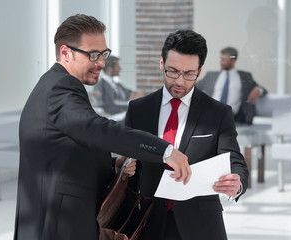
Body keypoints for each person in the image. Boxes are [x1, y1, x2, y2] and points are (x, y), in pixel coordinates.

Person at [14, 14, 191, 240]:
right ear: (65, 52)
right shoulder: (59, 89)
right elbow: (97, 129)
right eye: (93, 54)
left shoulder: (57, 85)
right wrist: (165, 151)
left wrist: (112, 164)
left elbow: (63, 153)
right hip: (58, 223)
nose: (101, 62)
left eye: (103, 54)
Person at [125, 30, 248, 240]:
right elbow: (126, 163)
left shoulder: (218, 113)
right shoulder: (138, 110)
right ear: (161, 64)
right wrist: (123, 166)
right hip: (147, 224)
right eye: (173, 71)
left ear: (199, 71)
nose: (180, 81)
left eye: (189, 73)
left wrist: (237, 183)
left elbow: (234, 160)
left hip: (201, 226)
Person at [196, 46, 267, 124]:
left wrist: (257, 90)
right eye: (221, 59)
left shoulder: (245, 76)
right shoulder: (211, 75)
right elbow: (193, 87)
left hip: (234, 118)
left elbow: (263, 89)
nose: (221, 62)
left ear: (233, 60)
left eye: (224, 60)